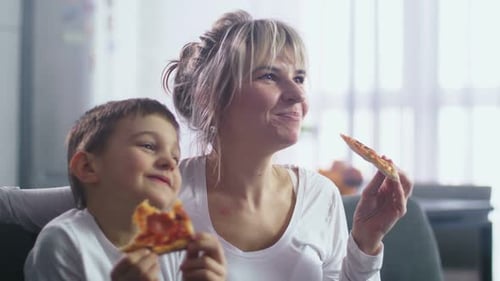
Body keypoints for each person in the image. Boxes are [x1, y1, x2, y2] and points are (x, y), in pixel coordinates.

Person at [1, 10, 412, 281]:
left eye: (300, 78)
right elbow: (16, 206)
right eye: (269, 76)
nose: (296, 95)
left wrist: (365, 243)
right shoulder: (157, 189)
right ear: (212, 96)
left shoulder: (320, 196)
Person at [23, 98, 226, 281]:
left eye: (175, 157)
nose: (170, 163)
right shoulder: (63, 243)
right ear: (87, 167)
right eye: (148, 145)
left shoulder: (173, 248)